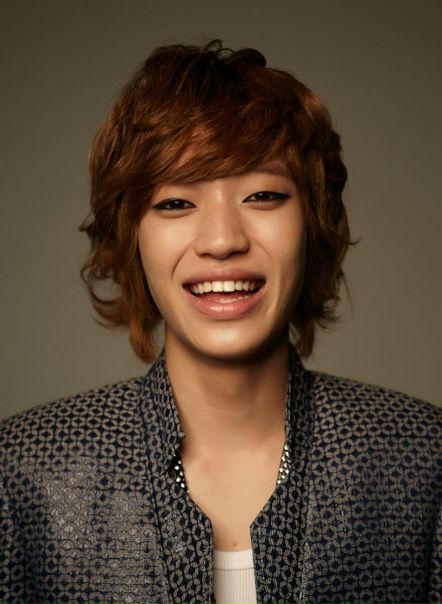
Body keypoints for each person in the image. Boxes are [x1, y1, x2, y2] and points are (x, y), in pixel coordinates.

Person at [0, 40, 441, 604]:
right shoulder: (26, 470)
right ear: (131, 237)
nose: (222, 240)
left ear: (313, 223)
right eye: (175, 203)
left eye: (262, 195)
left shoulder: (421, 458)